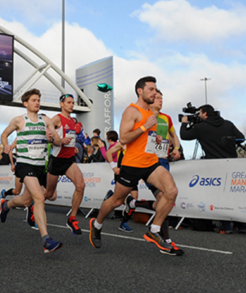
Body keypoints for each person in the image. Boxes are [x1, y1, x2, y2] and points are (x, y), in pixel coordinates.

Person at [89, 76, 181, 255]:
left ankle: (154, 231)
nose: (155, 93)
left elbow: (145, 140)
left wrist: (156, 138)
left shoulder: (152, 114)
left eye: (156, 90)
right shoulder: (132, 111)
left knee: (171, 192)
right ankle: (97, 223)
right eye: (151, 89)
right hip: (132, 165)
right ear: (140, 91)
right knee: (116, 200)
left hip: (151, 163)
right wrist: (144, 128)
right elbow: (123, 138)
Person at [0, 88, 64, 253]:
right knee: (39, 198)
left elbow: (57, 142)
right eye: (34, 100)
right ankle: (46, 240)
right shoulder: (19, 120)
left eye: (38, 100)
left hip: (40, 165)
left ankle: (6, 205)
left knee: (28, 201)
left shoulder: (46, 120)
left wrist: (52, 139)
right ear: (25, 103)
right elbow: (5, 134)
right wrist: (6, 145)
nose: (37, 103)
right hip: (24, 164)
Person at [180, 103, 245, 233]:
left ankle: (226, 226)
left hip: (213, 166)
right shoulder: (228, 124)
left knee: (217, 196)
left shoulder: (200, 127)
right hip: (231, 164)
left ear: (205, 113)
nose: (198, 115)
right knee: (233, 195)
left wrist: (184, 123)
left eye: (199, 113)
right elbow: (241, 138)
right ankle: (241, 225)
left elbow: (184, 136)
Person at [43, 93, 85, 235]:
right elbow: (49, 138)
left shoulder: (72, 121)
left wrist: (72, 146)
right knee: (49, 193)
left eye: (73, 103)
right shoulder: (56, 119)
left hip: (69, 160)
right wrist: (58, 140)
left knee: (80, 186)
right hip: (57, 160)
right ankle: (32, 205)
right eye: (68, 102)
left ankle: (72, 218)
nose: (71, 105)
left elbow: (70, 139)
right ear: (62, 104)